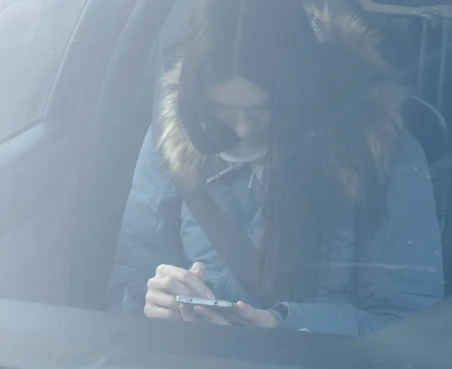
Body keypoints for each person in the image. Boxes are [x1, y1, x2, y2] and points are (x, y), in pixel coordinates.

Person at [107, 0, 444, 337]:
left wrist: (287, 327)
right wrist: (147, 303)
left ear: (297, 91)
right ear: (197, 96)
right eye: (220, 108)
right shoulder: (171, 141)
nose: (241, 128)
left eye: (262, 109)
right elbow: (126, 291)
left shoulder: (376, 151)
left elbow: (410, 327)